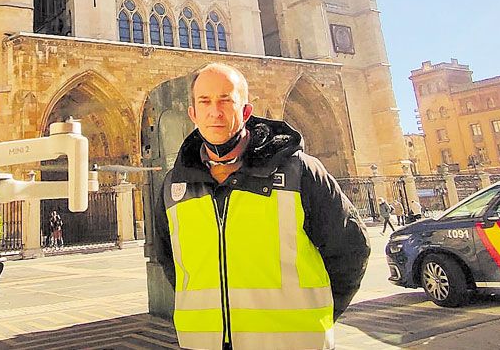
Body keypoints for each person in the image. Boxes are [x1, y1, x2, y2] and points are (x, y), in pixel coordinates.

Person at [154, 62, 370, 350]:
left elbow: (351, 250)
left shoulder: (300, 172)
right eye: (204, 101)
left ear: (245, 111)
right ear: (192, 113)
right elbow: (172, 264)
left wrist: (318, 316)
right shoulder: (173, 186)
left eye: (225, 100)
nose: (214, 111)